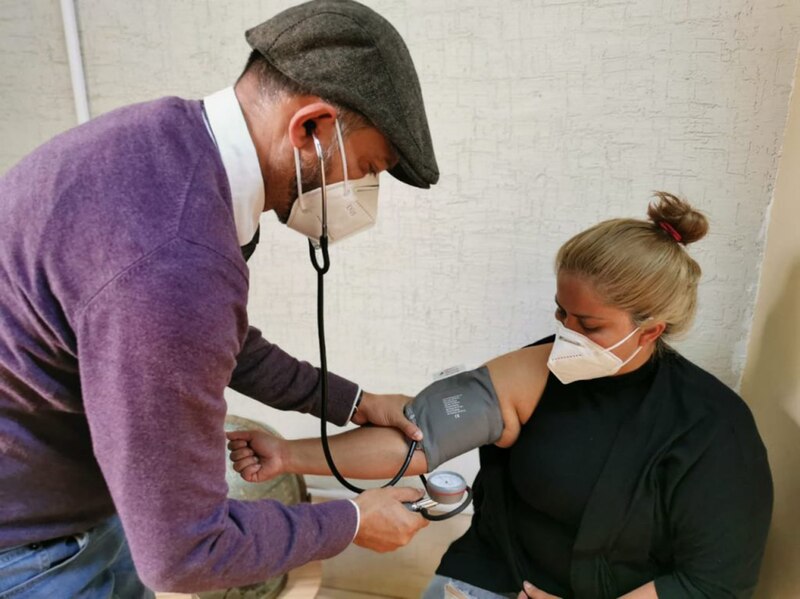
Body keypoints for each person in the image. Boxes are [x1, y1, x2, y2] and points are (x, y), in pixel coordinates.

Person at [0, 1, 441, 596]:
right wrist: (354, 520)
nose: (363, 194)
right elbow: (185, 553)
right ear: (310, 128)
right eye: (367, 168)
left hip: (61, 491)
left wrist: (353, 402)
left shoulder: (162, 140)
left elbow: (213, 339)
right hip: (29, 547)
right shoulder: (172, 261)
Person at [228, 193, 773, 599]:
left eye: (589, 325)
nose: (566, 334)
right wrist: (287, 455)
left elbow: (711, 581)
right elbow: (418, 440)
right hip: (497, 576)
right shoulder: (535, 371)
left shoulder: (712, 430)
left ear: (650, 330)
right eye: (561, 314)